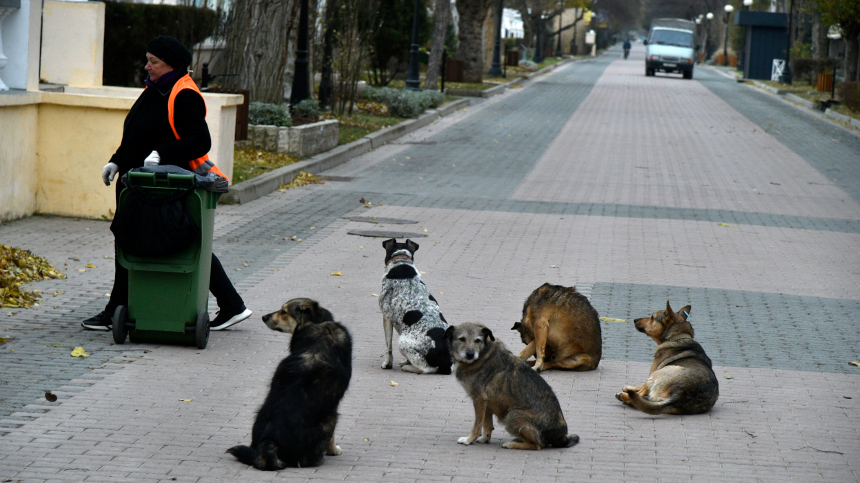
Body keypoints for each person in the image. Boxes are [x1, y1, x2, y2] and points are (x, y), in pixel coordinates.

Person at [82, 36, 252, 332]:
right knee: (156, 241)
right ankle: (232, 304)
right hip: (142, 184)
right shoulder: (155, 89)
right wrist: (117, 160)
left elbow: (200, 140)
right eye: (147, 59)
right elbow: (138, 136)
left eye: (154, 61)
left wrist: (162, 153)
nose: (147, 66)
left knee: (149, 242)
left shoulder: (183, 93)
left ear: (171, 65)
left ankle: (115, 311)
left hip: (166, 187)